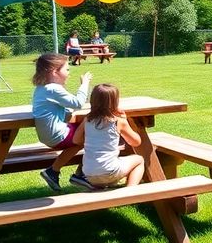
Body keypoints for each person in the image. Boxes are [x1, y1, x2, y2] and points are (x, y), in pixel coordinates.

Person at [32, 53, 93, 191]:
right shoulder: (53, 89)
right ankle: (75, 173)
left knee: (87, 133)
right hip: (57, 135)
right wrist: (84, 84)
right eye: (67, 69)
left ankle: (67, 172)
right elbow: (78, 103)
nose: (69, 72)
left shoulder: (41, 88)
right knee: (92, 134)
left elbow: (64, 109)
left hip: (49, 135)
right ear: (55, 72)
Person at [74, 84, 145, 189]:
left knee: (106, 170)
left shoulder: (87, 120)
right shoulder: (118, 122)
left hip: (88, 173)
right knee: (139, 160)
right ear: (115, 102)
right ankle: (129, 192)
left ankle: (99, 188)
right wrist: (125, 120)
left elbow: (76, 139)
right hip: (110, 172)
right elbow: (136, 142)